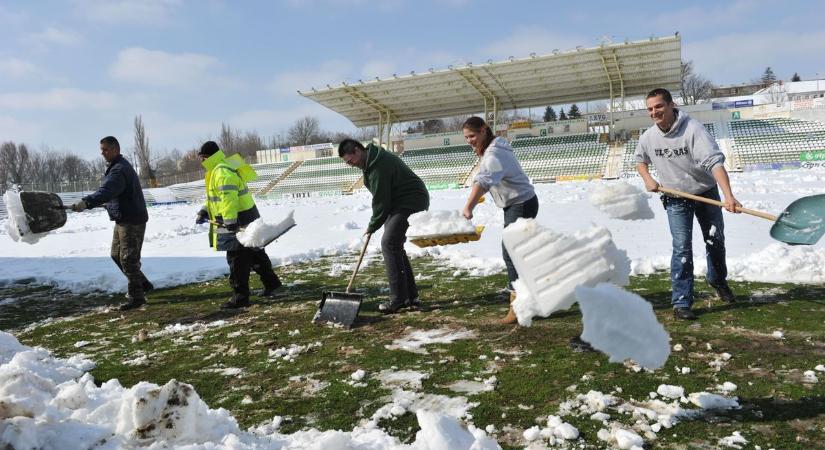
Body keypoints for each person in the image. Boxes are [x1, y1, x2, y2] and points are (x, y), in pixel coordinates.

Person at [635, 88, 741, 320]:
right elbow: (640, 160)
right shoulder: (648, 137)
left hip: (705, 193)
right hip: (675, 198)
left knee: (715, 240)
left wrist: (728, 196)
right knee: (681, 247)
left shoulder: (693, 129)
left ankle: (718, 280)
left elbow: (715, 163)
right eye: (650, 109)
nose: (654, 112)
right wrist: (649, 179)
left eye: (659, 106)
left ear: (672, 105)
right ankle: (682, 302)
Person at [338, 138, 430, 314]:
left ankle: (398, 300)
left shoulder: (378, 164)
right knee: (395, 246)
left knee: (388, 244)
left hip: (410, 200)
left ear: (357, 150)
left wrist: (373, 225)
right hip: (398, 203)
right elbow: (383, 199)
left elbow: (381, 200)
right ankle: (411, 296)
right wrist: (379, 220)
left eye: (351, 161)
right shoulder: (371, 161)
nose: (351, 165)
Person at [461, 116, 538, 324]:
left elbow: (484, 180)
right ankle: (529, 297)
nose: (469, 140)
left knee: (510, 252)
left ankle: (519, 306)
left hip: (520, 204)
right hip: (519, 203)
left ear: (484, 130)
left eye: (473, 135)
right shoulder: (494, 147)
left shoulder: (494, 152)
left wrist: (469, 206)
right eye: (466, 137)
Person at [196, 141, 283, 309]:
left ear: (207, 157)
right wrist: (204, 211)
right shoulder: (223, 167)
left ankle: (240, 297)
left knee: (237, 259)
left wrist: (229, 221)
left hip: (236, 218)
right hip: (246, 215)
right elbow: (216, 199)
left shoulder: (220, 172)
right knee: (256, 254)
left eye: (202, 158)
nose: (201, 161)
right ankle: (272, 284)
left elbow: (229, 199)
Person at [70, 136, 152, 311]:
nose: (102, 153)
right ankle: (143, 284)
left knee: (128, 259)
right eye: (101, 150)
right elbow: (113, 194)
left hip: (131, 220)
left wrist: (86, 202)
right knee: (116, 254)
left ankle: (137, 297)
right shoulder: (117, 167)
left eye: (105, 149)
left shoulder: (118, 170)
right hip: (123, 218)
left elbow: (107, 190)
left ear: (115, 149)